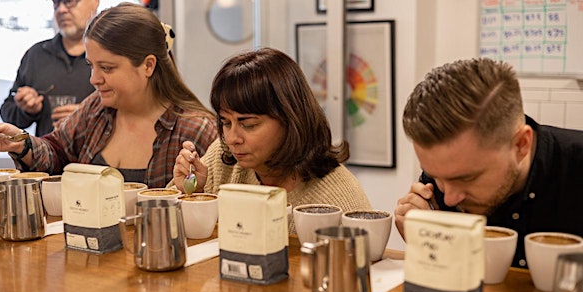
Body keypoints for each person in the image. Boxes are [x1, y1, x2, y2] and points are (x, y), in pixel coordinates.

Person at [0, 3, 218, 188]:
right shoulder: (96, 108)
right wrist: (20, 142)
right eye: (91, 66)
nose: (94, 79)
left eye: (106, 68)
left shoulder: (195, 129)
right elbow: (56, 154)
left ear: (148, 65)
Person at [394, 57, 583, 268]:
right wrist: (429, 242)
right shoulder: (444, 177)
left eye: (467, 178)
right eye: (436, 176)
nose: (449, 198)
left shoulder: (575, 166)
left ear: (521, 144)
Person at [169, 47, 372, 232]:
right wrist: (193, 194)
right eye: (226, 122)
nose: (232, 138)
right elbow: (164, 223)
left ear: (290, 120)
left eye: (249, 124)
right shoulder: (223, 157)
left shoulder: (339, 199)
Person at [0, 0, 100, 136]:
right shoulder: (36, 55)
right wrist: (27, 109)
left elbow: (132, 113)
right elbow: (8, 112)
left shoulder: (112, 55)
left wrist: (91, 116)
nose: (61, 10)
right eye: (56, 3)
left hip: (99, 155)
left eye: (69, 2)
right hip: (47, 154)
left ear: (94, 2)